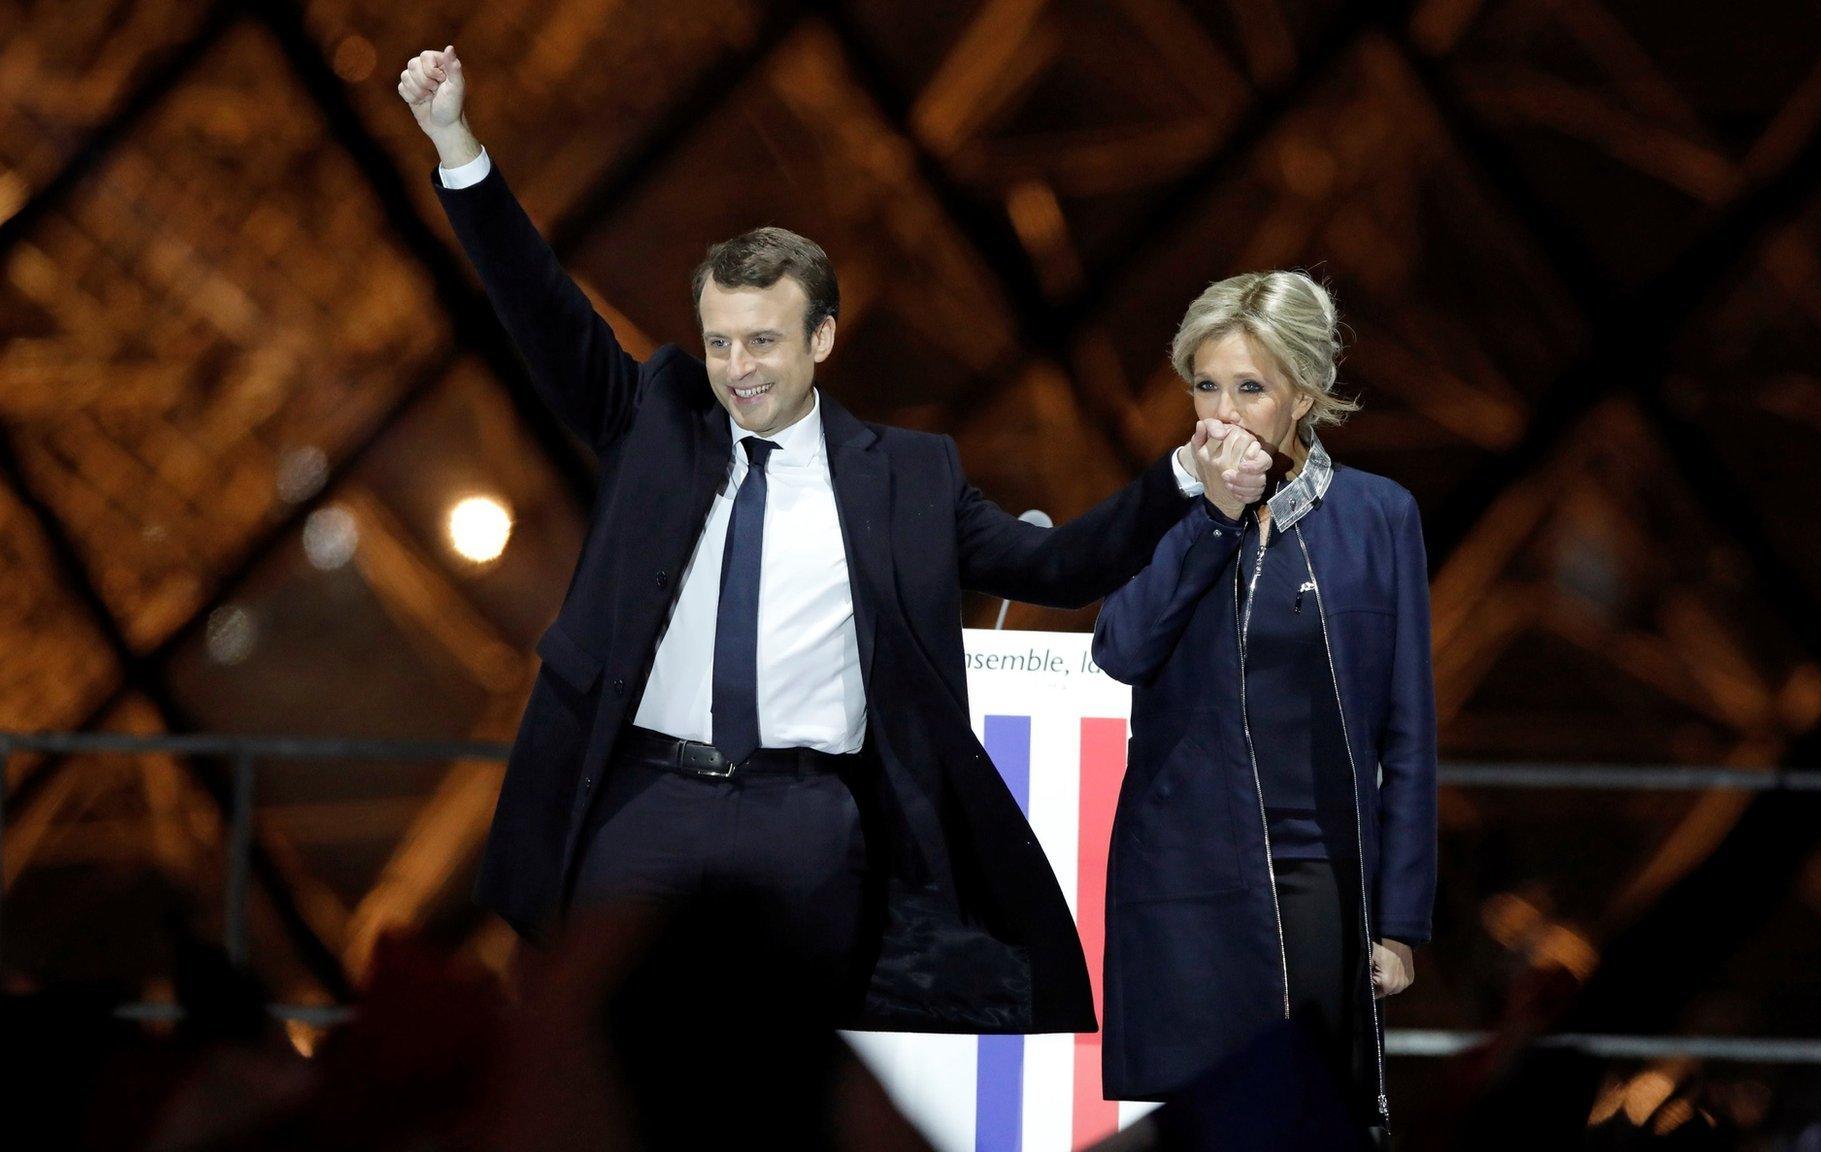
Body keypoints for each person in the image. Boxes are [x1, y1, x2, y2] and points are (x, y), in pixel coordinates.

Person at [394, 47, 1264, 1033]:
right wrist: (457, 146)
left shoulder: (907, 475)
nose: (736, 368)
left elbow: (1058, 566)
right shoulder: (658, 417)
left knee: (777, 1075)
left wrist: (1182, 479)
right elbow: (542, 311)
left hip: (803, 821)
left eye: (762, 340)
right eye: (719, 341)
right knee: (596, 1049)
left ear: (821, 340)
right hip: (645, 799)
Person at [1091, 271, 1438, 1137]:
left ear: (1303, 394)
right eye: (1206, 385)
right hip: (1189, 875)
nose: (1224, 410)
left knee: (1311, 1118)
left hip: (1319, 876)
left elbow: (1410, 731)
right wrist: (1212, 512)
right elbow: (1121, 650)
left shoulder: (1378, 516)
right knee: (1206, 1126)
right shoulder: (1167, 505)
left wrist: (1397, 922)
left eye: (1250, 387)